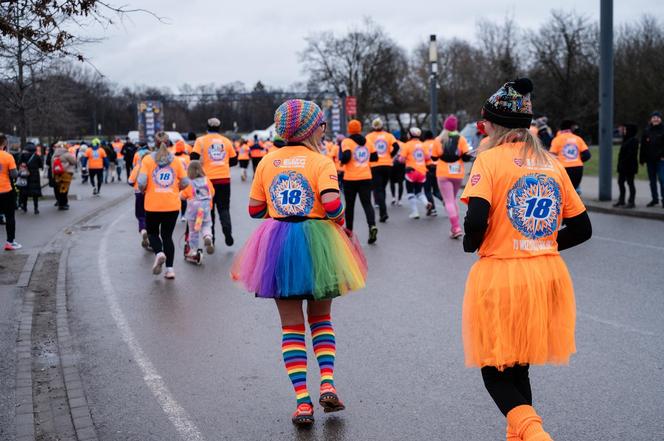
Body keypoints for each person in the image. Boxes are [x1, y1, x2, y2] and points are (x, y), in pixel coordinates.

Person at [461, 78, 592, 441]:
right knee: (519, 367)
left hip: (502, 272)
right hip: (546, 272)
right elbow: (582, 228)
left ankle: (535, 435)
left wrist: (471, 243)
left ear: (494, 126)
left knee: (493, 370)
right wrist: (540, 243)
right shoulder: (550, 162)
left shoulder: (488, 160)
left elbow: (474, 220)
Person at [231, 99, 367, 426]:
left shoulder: (267, 161)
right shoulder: (320, 162)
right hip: (319, 243)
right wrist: (335, 219)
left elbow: (254, 209)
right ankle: (328, 384)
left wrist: (281, 210)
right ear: (310, 128)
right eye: (320, 124)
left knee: (291, 327)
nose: (324, 128)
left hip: (279, 244)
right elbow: (333, 205)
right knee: (321, 320)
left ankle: (303, 402)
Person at [138, 132, 189, 279]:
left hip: (153, 204)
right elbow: (185, 182)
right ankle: (170, 270)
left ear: (154, 143)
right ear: (169, 143)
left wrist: (144, 190)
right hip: (172, 205)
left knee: (153, 233)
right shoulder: (176, 161)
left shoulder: (147, 160)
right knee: (167, 236)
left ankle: (159, 253)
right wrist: (175, 189)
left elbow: (141, 182)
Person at [191, 118, 238, 246]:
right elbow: (234, 161)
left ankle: (211, 238)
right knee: (224, 208)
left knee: (208, 210)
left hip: (206, 181)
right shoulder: (226, 141)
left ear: (207, 127)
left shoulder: (200, 141)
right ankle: (227, 231)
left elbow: (193, 158)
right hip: (223, 179)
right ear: (219, 128)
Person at [433, 116, 473, 238]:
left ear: (445, 126)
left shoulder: (439, 139)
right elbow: (466, 157)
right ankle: (453, 227)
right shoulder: (461, 139)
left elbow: (434, 157)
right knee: (453, 199)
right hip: (457, 173)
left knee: (448, 200)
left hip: (443, 172)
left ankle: (456, 227)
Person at [340, 119, 378, 243]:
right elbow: (375, 157)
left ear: (349, 129)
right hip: (366, 177)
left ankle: (349, 232)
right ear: (360, 128)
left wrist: (342, 162)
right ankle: (372, 225)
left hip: (350, 178)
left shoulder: (347, 141)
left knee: (350, 206)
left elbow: (346, 156)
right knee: (367, 204)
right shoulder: (368, 141)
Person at [180, 160, 215, 263]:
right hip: (205, 209)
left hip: (194, 211)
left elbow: (182, 196)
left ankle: (193, 251)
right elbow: (212, 192)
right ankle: (207, 237)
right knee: (206, 225)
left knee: (194, 231)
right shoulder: (206, 180)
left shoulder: (190, 183)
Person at [366, 118, 398, 223]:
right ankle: (383, 209)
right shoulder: (389, 136)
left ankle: (383, 213)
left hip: (375, 165)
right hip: (387, 164)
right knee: (382, 188)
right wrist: (391, 155)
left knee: (378, 189)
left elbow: (365, 149)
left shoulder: (369, 137)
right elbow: (396, 146)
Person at [397, 127, 431, 219]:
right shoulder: (423, 145)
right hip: (422, 171)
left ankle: (415, 212)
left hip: (411, 171)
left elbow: (401, 159)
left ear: (411, 134)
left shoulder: (406, 145)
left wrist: (401, 159)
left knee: (410, 192)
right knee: (419, 192)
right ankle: (426, 203)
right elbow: (428, 157)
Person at [549, 120, 591, 190]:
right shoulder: (578, 139)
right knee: (574, 190)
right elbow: (587, 155)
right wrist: (578, 160)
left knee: (564, 190)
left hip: (563, 168)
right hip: (578, 168)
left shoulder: (557, 139)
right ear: (571, 128)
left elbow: (552, 156)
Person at [128, 143, 151, 249]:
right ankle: (151, 238)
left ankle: (143, 231)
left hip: (138, 194)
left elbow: (130, 181)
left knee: (140, 216)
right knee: (151, 217)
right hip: (150, 195)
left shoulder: (137, 167)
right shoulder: (153, 167)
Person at [0, 135, 21, 250]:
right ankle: (10, 242)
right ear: (4, 144)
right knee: (10, 217)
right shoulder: (8, 157)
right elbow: (14, 175)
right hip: (5, 190)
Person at [640, 111, 664, 207]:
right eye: (654, 117)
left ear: (660, 119)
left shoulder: (663, 130)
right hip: (650, 160)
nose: (655, 118)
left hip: (661, 160)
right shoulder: (647, 131)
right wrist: (641, 159)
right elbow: (643, 147)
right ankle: (655, 199)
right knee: (652, 181)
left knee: (662, 179)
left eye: (657, 117)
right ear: (651, 119)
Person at [613, 124, 639, 208]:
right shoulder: (626, 139)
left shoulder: (634, 140)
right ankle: (621, 200)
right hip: (623, 167)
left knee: (630, 183)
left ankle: (631, 202)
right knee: (620, 182)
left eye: (625, 129)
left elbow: (631, 154)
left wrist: (623, 163)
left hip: (629, 167)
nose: (624, 131)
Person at [16, 142, 43, 214]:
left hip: (25, 176)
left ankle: (25, 207)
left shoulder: (23, 156)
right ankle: (36, 209)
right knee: (35, 194)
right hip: (35, 176)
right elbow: (41, 165)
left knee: (24, 192)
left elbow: (18, 163)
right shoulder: (37, 156)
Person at [421, 129, 443, 216]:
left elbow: (422, 158)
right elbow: (441, 154)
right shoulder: (436, 143)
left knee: (427, 190)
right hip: (437, 167)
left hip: (428, 168)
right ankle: (444, 200)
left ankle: (433, 209)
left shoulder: (423, 145)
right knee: (436, 190)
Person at [51, 142, 77, 210]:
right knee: (64, 189)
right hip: (66, 173)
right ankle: (63, 204)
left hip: (57, 174)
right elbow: (74, 162)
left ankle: (60, 202)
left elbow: (52, 166)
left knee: (59, 188)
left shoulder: (54, 155)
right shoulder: (67, 154)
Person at [174, 140, 191, 222]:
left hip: (175, 182)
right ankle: (183, 215)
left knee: (175, 198)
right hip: (184, 181)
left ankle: (175, 213)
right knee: (183, 199)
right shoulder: (187, 158)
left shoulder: (173, 158)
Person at [390, 135, 406, 206]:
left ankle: (393, 197)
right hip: (401, 164)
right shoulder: (403, 144)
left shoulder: (391, 144)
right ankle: (400, 200)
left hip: (392, 164)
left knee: (392, 182)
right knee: (400, 182)